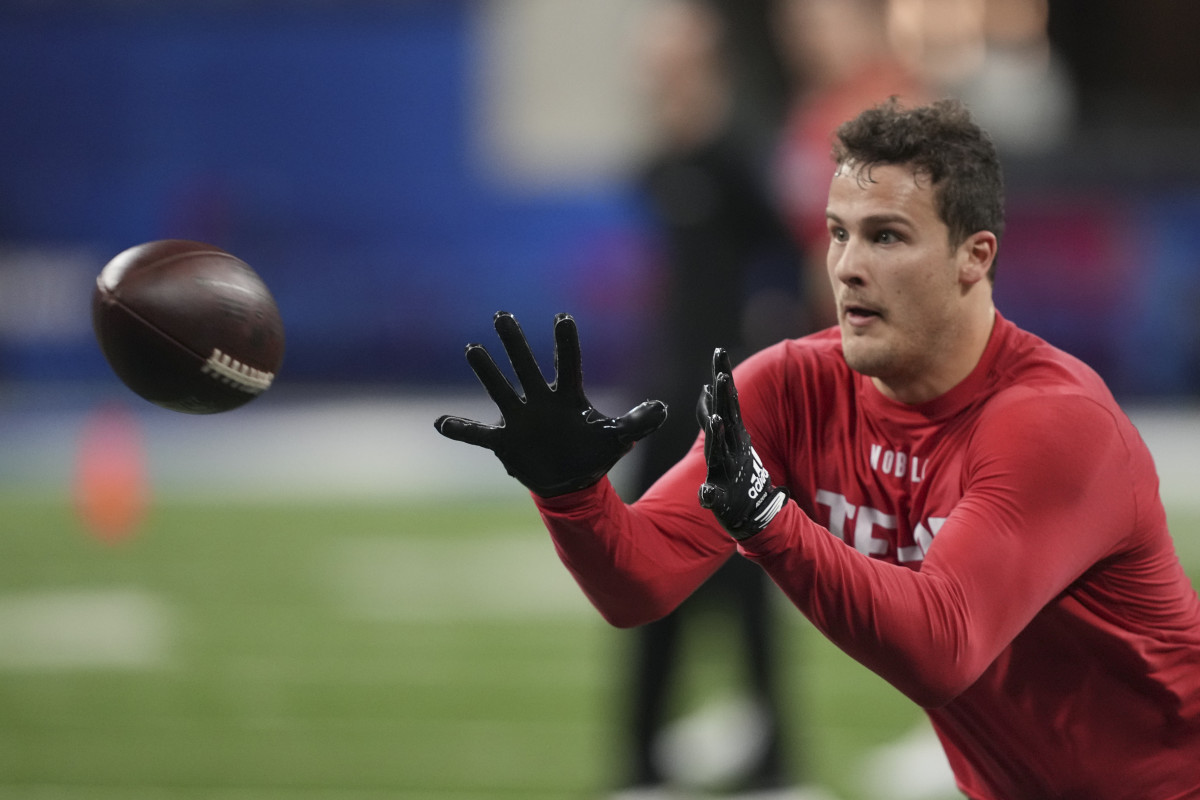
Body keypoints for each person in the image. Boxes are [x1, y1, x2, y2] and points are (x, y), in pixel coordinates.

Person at [434, 98, 1200, 798]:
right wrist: (571, 496)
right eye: (838, 232)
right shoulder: (794, 387)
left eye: (887, 236)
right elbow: (640, 584)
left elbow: (943, 648)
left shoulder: (1053, 424)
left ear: (976, 256)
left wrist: (770, 524)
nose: (847, 266)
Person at [616, 1, 807, 795]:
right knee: (643, 577)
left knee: (750, 579)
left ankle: (772, 761)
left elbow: (786, 259)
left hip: (730, 408)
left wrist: (766, 360)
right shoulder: (659, 162)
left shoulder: (737, 156)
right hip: (664, 401)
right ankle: (640, 763)